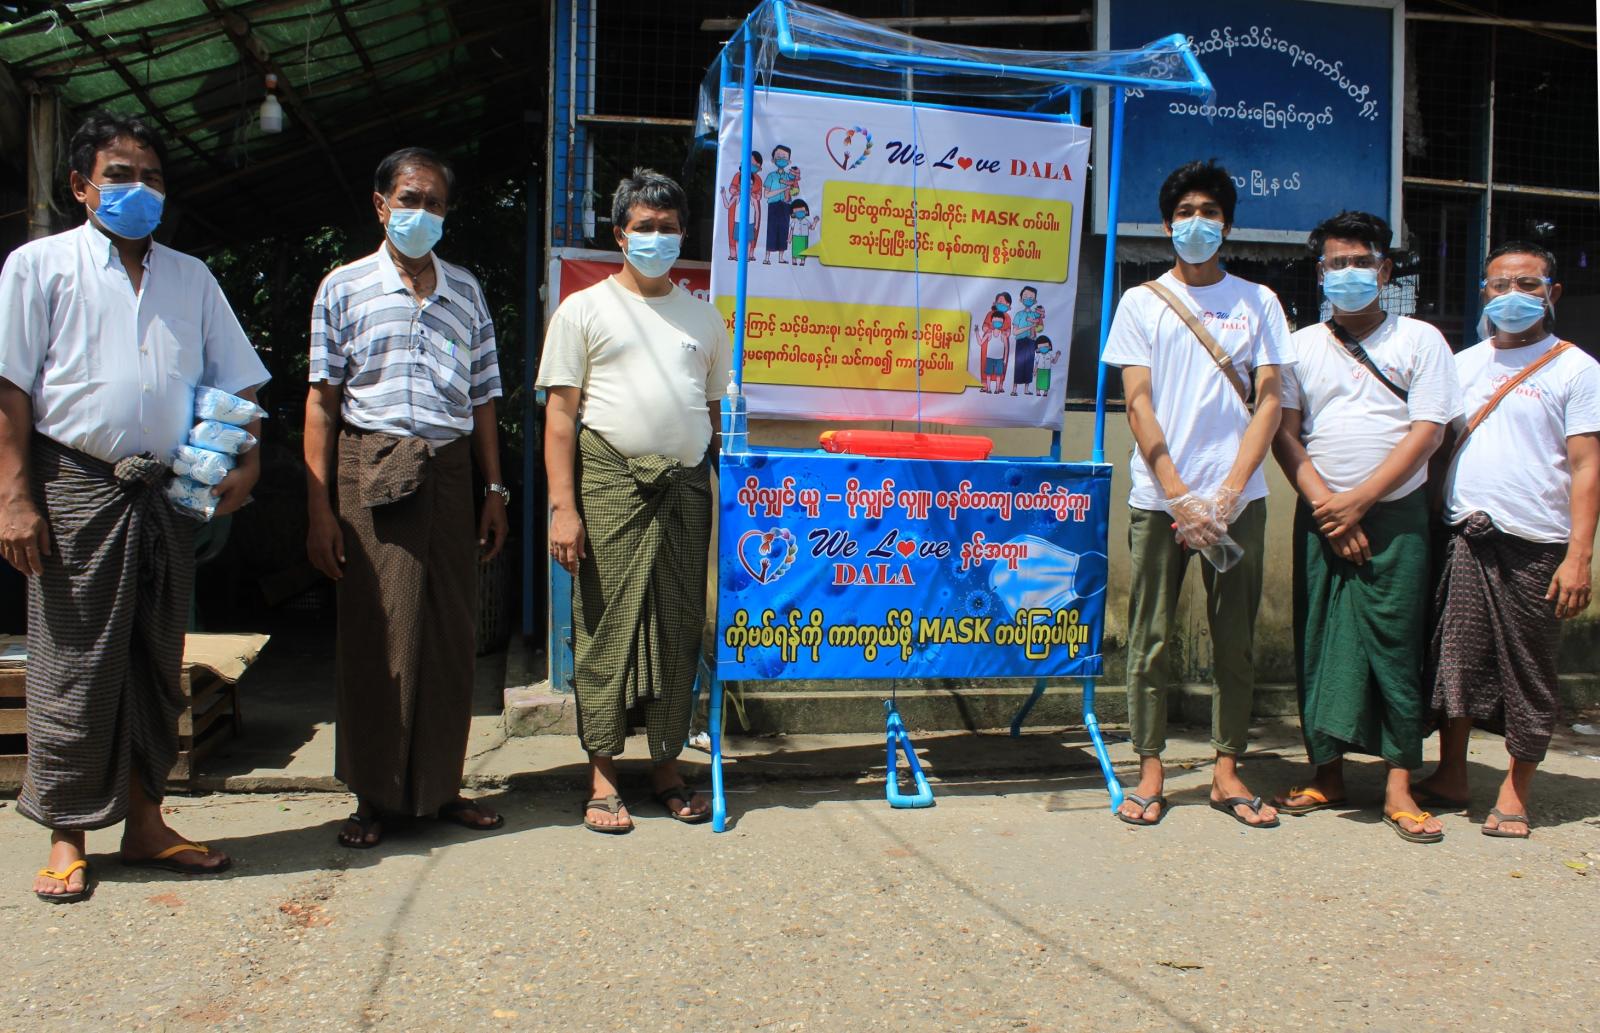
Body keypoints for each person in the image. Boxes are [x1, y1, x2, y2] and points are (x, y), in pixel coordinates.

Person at [0, 111, 268, 901]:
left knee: (155, 659)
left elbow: (238, 379)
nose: (138, 189)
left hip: (167, 490)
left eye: (152, 177)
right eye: (119, 175)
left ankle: (147, 822)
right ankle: (67, 833)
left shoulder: (191, 277)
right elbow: (10, 387)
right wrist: (14, 495)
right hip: (74, 483)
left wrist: (249, 460)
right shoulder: (39, 265)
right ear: (81, 186)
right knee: (76, 661)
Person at [304, 147, 509, 849]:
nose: (422, 213)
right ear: (381, 204)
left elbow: (484, 398)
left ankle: (439, 789)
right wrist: (320, 507)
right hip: (374, 464)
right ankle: (374, 796)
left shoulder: (466, 292)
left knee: (450, 632)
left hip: (450, 469)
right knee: (380, 630)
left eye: (435, 203)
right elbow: (322, 404)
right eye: (410, 199)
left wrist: (494, 490)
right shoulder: (343, 288)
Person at [538, 168, 731, 834]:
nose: (657, 237)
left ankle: (667, 767)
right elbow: (560, 418)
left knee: (679, 627)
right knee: (605, 627)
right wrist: (564, 509)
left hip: (685, 491)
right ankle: (602, 775)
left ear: (682, 235)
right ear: (620, 234)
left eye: (668, 227)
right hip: (609, 486)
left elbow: (712, 416)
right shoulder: (583, 310)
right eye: (644, 226)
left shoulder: (704, 318)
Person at [1100, 159, 1292, 829]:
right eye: (1184, 212)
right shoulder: (1141, 301)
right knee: (1150, 637)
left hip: (1239, 501)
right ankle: (1150, 769)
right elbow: (1138, 402)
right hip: (1161, 502)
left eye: (1209, 212)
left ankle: (1227, 769)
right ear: (1166, 225)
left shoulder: (1259, 302)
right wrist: (1180, 496)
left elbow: (1270, 402)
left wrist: (1228, 494)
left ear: (1227, 225)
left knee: (1234, 640)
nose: (1196, 223)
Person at [1270, 211, 1459, 843]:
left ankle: (1400, 785)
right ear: (1321, 273)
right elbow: (1285, 435)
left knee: (1396, 644)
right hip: (1320, 514)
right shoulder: (1298, 345)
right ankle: (1327, 773)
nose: (1349, 273)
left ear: (1385, 270)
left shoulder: (1421, 340)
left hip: (1396, 516)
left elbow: (1428, 432)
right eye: (1336, 263)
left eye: (1361, 262)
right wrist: (1330, 507)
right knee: (1320, 641)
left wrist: (1362, 502)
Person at [1418, 242, 1599, 839]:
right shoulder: (1462, 364)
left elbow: (1586, 466)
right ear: (1484, 293)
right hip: (1466, 536)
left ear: (1552, 293)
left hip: (1537, 543)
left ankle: (1516, 789)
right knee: (1458, 661)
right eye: (1501, 285)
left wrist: (1579, 556)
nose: (1513, 296)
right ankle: (1451, 773)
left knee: (1529, 669)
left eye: (1528, 284)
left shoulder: (1576, 368)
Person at [719, 150, 763, 261]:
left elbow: (759, 195)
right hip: (736, 211)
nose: (753, 167)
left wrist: (752, 195)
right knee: (735, 234)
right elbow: (732, 189)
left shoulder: (758, 179)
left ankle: (750, 254)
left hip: (751, 215)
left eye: (756, 166)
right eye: (751, 164)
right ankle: (734, 254)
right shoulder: (738, 176)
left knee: (751, 237)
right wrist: (732, 193)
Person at [762, 145, 796, 264]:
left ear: (789, 161)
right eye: (779, 157)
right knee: (771, 231)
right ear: (773, 160)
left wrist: (792, 190)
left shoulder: (789, 177)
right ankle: (767, 257)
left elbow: (794, 192)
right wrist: (782, 189)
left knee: (784, 230)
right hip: (773, 206)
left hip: (785, 206)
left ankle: (781, 258)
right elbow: (766, 194)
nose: (781, 159)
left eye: (784, 157)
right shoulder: (771, 176)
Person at [1011, 286, 1044, 396]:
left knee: (1029, 364)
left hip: (1031, 341)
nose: (1028, 299)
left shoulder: (1034, 314)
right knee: (1019, 364)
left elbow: (1040, 325)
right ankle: (1014, 389)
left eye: (1031, 297)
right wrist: (1029, 327)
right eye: (1025, 297)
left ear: (1035, 301)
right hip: (1021, 342)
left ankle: (1026, 389)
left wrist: (1038, 321)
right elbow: (1015, 332)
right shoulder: (1018, 315)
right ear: (1021, 299)